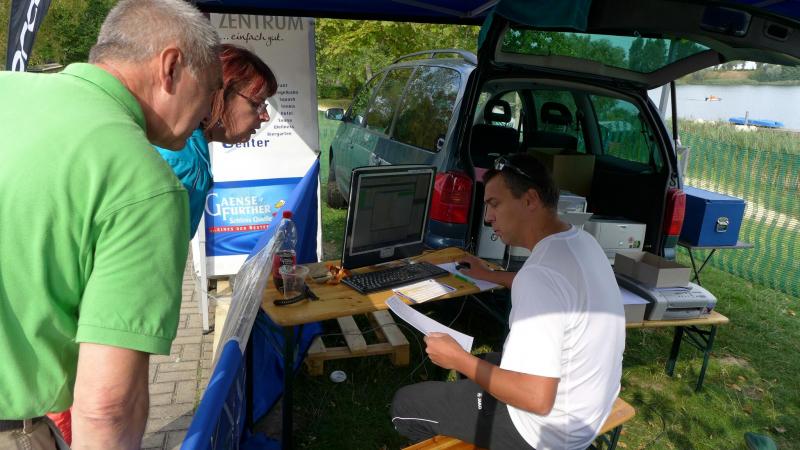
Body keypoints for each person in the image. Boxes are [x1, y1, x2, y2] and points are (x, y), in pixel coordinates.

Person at [0, 1, 221, 449]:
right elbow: (107, 407)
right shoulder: (145, 182)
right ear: (171, 67)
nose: (207, 113)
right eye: (211, 90)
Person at [391, 154, 626, 449]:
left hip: (544, 433)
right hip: (588, 408)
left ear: (530, 200)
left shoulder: (539, 278)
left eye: (494, 204)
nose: (488, 217)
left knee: (405, 404)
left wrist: (458, 359)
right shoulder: (580, 242)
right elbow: (556, 288)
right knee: (486, 363)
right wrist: (490, 276)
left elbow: (537, 399)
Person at [155, 44, 277, 238]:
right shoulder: (184, 161)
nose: (265, 116)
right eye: (257, 104)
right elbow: (157, 250)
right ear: (218, 95)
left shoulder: (178, 145)